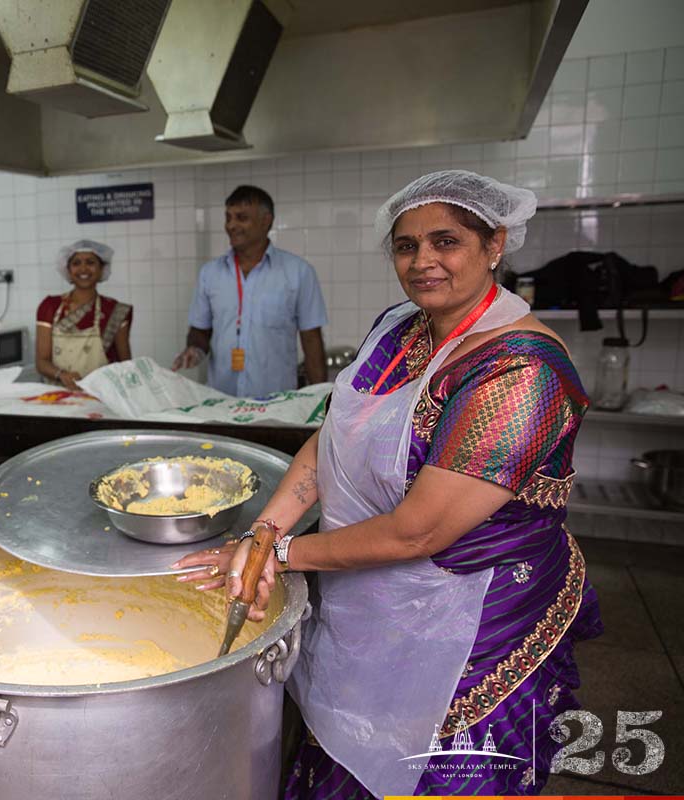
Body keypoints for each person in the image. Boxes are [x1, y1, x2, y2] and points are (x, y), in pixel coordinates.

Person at [173, 170, 602, 797]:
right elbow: (333, 438)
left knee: (434, 772)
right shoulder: (401, 329)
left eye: (446, 241)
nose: (423, 261)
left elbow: (420, 529)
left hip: (473, 616)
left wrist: (280, 553)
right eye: (407, 246)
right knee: (349, 747)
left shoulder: (519, 369)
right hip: (377, 595)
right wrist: (266, 527)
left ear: (494, 245)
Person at [173, 185, 328, 396]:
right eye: (228, 218)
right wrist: (194, 350)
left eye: (241, 217)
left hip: (276, 404)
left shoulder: (298, 272)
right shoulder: (210, 274)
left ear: (266, 221)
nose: (231, 225)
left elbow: (312, 341)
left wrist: (320, 401)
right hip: (222, 402)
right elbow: (200, 331)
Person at [35, 239, 132, 391]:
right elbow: (42, 362)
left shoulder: (116, 311)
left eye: (90, 262)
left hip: (101, 397)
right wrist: (62, 375)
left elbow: (125, 366)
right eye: (76, 263)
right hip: (57, 398)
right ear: (68, 270)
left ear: (102, 269)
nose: (83, 269)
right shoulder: (50, 306)